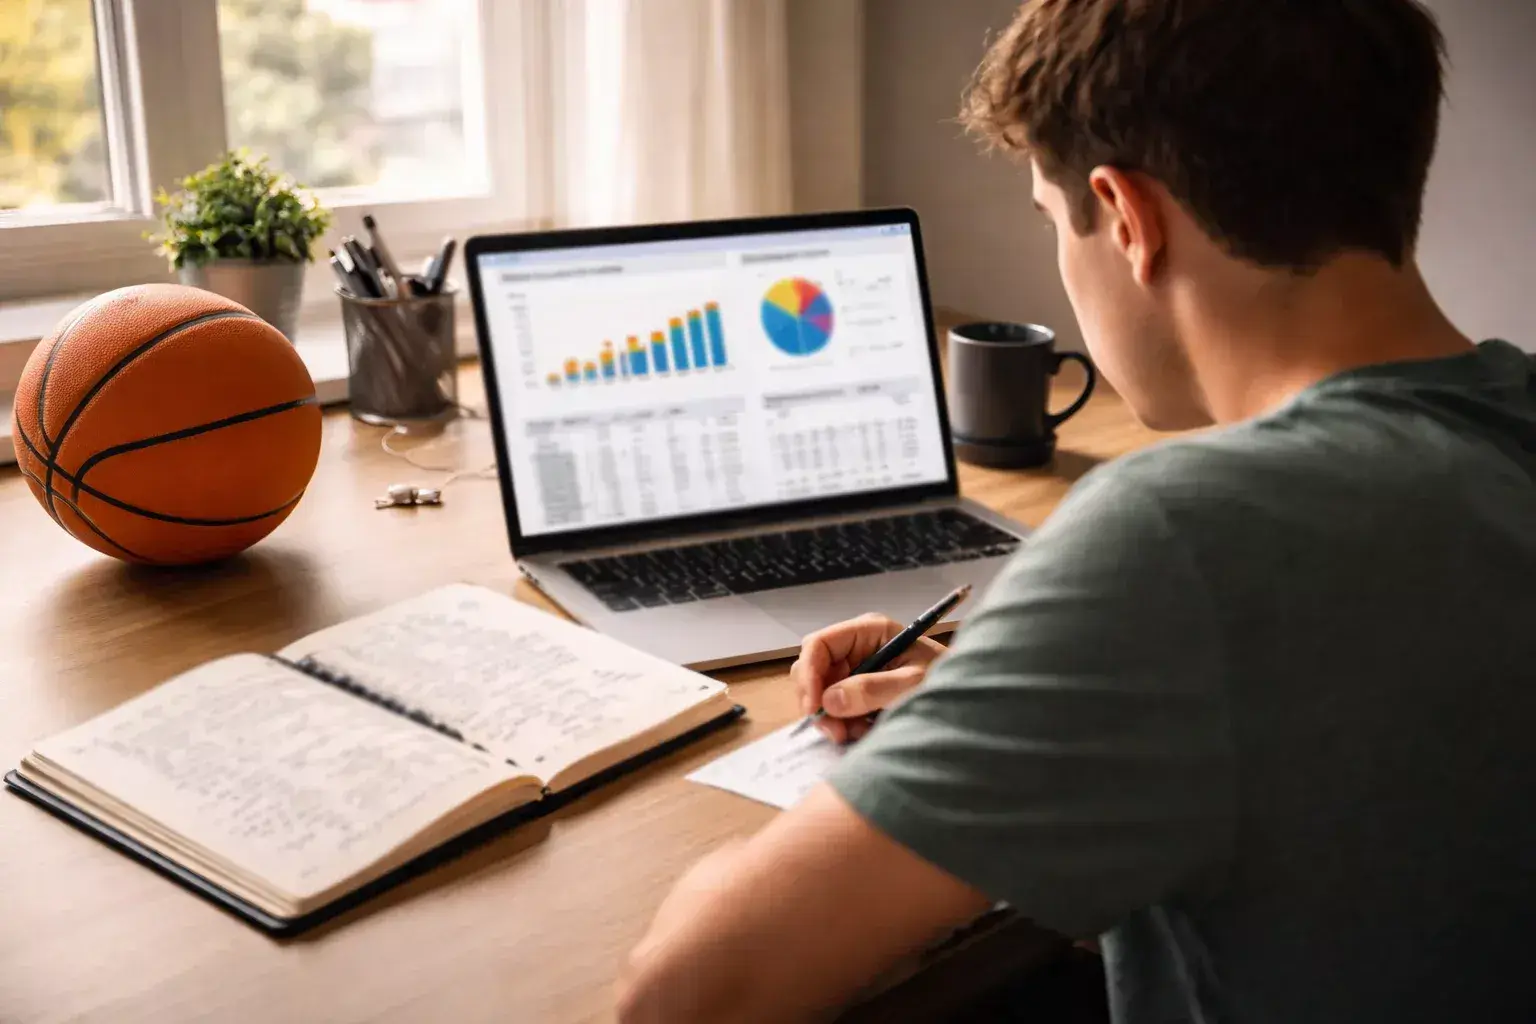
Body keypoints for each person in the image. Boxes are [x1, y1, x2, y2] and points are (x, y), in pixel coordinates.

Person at [616, 0, 1536, 1020]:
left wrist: (856, 817)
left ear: (1128, 219)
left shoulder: (1188, 534)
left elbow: (687, 992)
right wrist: (1030, 721)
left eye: (1054, 223)